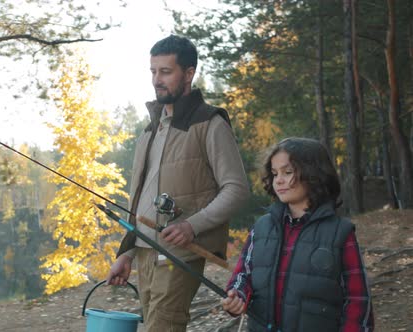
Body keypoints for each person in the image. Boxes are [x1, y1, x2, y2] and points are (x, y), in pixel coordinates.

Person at [105, 35, 250, 331]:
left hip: (180, 253)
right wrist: (127, 252)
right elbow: (139, 199)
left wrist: (191, 226)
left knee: (163, 326)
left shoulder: (210, 123)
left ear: (188, 73)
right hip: (145, 251)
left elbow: (237, 189)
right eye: (153, 71)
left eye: (166, 72)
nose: (157, 80)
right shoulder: (149, 131)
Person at [222, 137, 374, 331]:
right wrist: (237, 296)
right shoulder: (261, 228)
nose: (279, 180)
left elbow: (358, 300)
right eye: (275, 173)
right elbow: (243, 274)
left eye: (288, 172)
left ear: (313, 173)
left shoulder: (340, 233)